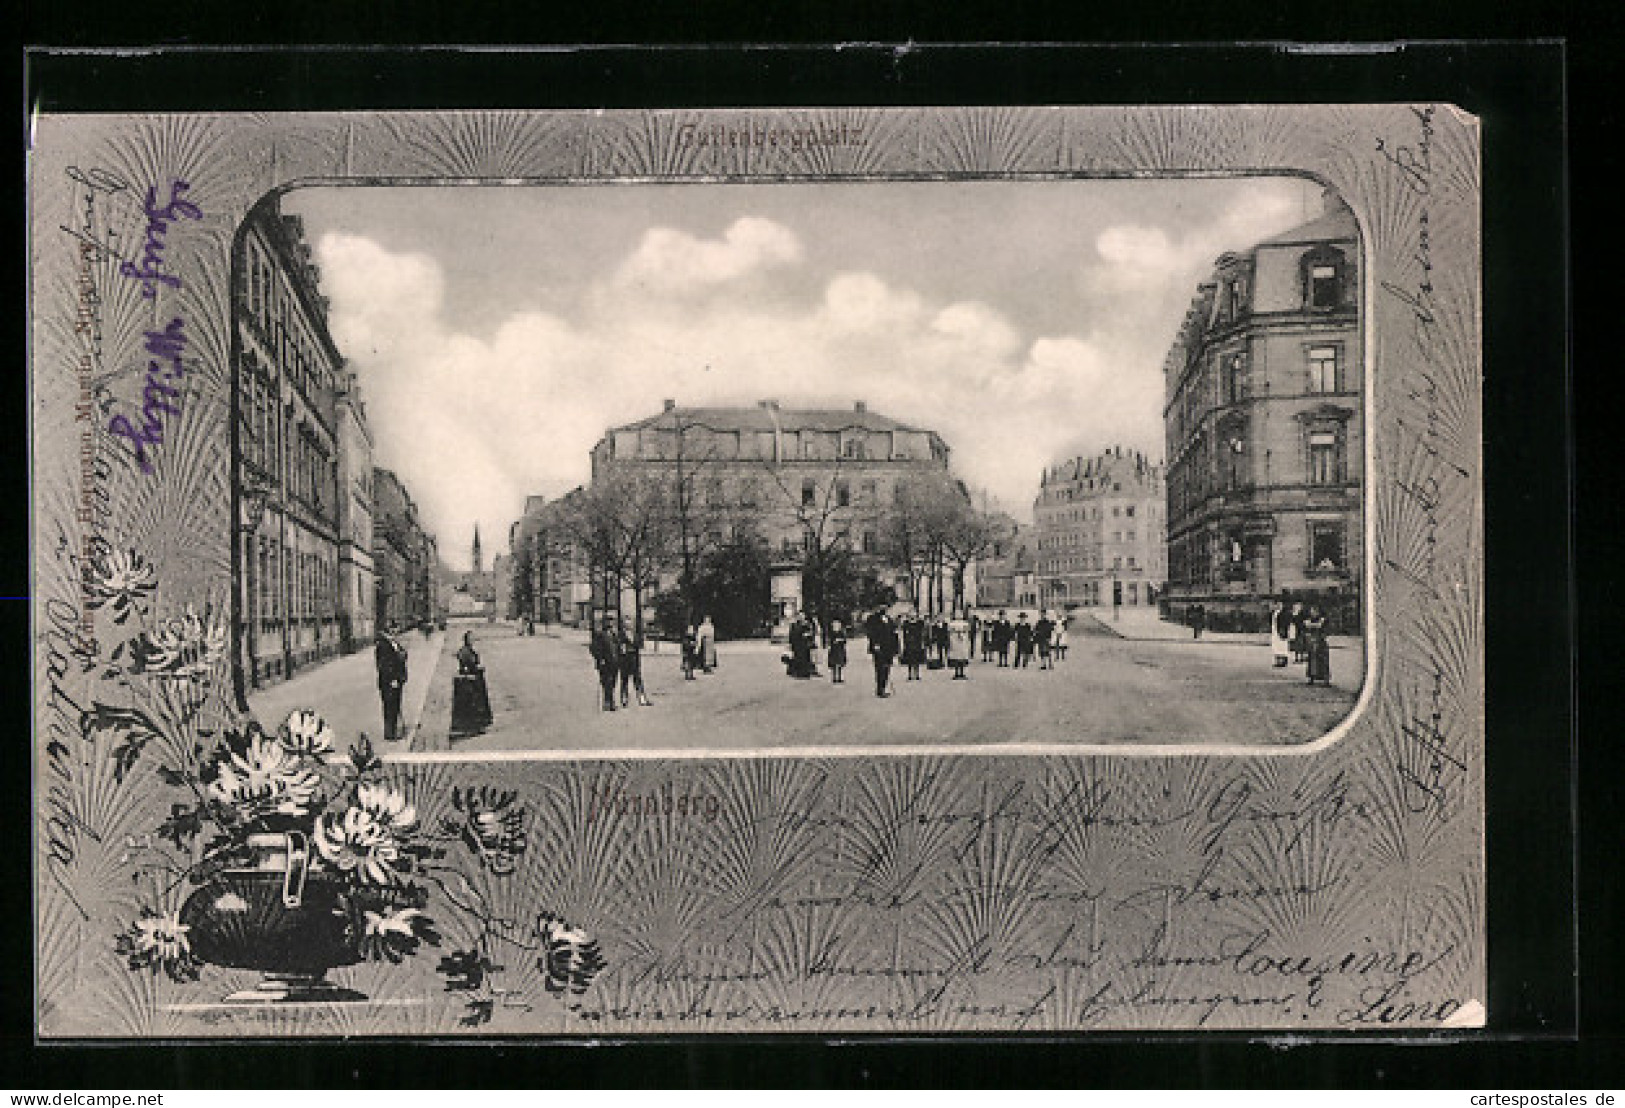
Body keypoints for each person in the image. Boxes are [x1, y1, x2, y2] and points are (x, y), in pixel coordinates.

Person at [450, 630, 493, 737]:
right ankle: (472, 726)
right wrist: (475, 669)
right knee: (473, 703)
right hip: (470, 680)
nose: (473, 640)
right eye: (471, 638)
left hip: (475, 678)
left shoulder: (468, 650)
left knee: (477, 702)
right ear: (467, 640)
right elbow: (465, 665)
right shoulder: (465, 651)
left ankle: (477, 725)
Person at [374, 626, 409, 742]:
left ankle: (394, 730)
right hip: (389, 682)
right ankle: (390, 734)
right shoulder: (383, 646)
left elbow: (403, 655)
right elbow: (383, 666)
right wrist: (392, 679)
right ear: (387, 633)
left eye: (396, 631)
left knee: (395, 705)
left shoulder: (394, 643)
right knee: (390, 707)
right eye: (393, 631)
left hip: (397, 680)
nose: (396, 633)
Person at [588, 615, 622, 711]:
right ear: (604, 623)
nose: (610, 623)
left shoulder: (614, 634)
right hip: (604, 663)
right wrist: (600, 658)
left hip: (614, 663)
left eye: (611, 621)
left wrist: (620, 655)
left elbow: (618, 647)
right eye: (608, 621)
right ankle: (608, 703)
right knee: (607, 683)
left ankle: (610, 702)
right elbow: (593, 648)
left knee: (613, 682)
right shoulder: (599, 635)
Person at [617, 617, 652, 707]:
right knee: (624, 680)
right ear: (623, 625)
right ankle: (624, 700)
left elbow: (638, 645)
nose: (628, 625)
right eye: (626, 624)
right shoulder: (620, 635)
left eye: (630, 623)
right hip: (625, 661)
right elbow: (620, 648)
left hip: (635, 660)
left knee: (638, 680)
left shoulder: (634, 634)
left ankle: (642, 699)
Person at [865, 607, 900, 698]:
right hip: (879, 648)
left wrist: (896, 649)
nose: (883, 608)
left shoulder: (889, 619)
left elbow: (894, 634)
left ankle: (884, 687)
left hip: (889, 648)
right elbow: (871, 633)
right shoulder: (873, 619)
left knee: (887, 668)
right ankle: (880, 689)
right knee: (880, 668)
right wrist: (875, 644)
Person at [1302, 605, 1331, 686]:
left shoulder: (1322, 619)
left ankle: (1326, 679)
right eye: (1312, 611)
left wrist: (1314, 625)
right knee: (1312, 660)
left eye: (1314, 611)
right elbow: (1307, 625)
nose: (1312, 613)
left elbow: (1320, 626)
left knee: (1323, 660)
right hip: (1312, 641)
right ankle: (1311, 677)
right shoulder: (1311, 619)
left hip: (1320, 641)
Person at [900, 608, 927, 681]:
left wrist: (923, 643)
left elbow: (923, 632)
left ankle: (917, 674)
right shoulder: (906, 623)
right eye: (911, 613)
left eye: (914, 613)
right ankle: (910, 674)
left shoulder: (919, 623)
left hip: (917, 642)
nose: (912, 615)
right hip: (909, 642)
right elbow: (903, 633)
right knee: (910, 659)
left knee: (917, 659)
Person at [946, 608, 972, 680]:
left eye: (960, 614)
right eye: (957, 614)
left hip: (963, 642)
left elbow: (968, 631)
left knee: (962, 657)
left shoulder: (965, 623)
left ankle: (962, 672)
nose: (958, 615)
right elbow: (949, 632)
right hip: (955, 642)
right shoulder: (951, 623)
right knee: (956, 657)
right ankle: (956, 673)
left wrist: (963, 633)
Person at [1270, 598, 1292, 668]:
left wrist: (1284, 629)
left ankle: (1283, 660)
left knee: (1282, 645)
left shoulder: (1284, 613)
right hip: (1275, 630)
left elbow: (1286, 622)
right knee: (1277, 645)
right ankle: (1278, 660)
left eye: (1280, 604)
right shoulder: (1274, 613)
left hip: (1281, 630)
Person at [827, 619, 849, 684]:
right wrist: (832, 642)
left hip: (840, 649)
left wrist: (840, 640)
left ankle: (839, 677)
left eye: (837, 625)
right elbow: (829, 641)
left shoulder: (842, 632)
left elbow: (845, 640)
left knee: (840, 664)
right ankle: (834, 677)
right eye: (835, 625)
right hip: (834, 650)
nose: (836, 626)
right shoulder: (831, 633)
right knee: (834, 664)